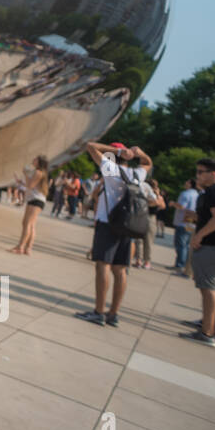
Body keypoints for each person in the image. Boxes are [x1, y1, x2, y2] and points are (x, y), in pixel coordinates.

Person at [75, 140, 155, 328]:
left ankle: (99, 311)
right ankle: (114, 314)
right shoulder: (137, 174)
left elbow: (90, 146)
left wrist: (117, 151)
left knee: (103, 266)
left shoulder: (111, 170)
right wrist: (139, 152)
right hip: (128, 226)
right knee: (120, 270)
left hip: (108, 223)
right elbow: (148, 163)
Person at [181, 158, 215, 347]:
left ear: (213, 174)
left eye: (201, 172)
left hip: (210, 246)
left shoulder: (212, 191)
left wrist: (199, 236)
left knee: (208, 289)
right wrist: (197, 216)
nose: (197, 176)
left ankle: (207, 333)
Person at [10, 155, 50, 255]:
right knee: (29, 224)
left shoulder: (38, 172)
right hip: (35, 199)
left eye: (36, 159)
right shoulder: (39, 172)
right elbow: (31, 185)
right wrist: (21, 181)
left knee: (27, 223)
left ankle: (21, 247)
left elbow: (30, 185)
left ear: (39, 162)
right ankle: (28, 248)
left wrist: (25, 174)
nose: (33, 159)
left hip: (36, 200)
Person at [170, 179, 199, 275]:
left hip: (183, 222)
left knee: (180, 244)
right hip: (191, 222)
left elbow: (182, 206)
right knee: (186, 245)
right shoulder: (197, 195)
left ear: (190, 184)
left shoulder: (186, 193)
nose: (185, 183)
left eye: (186, 182)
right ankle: (183, 264)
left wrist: (173, 204)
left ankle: (179, 265)